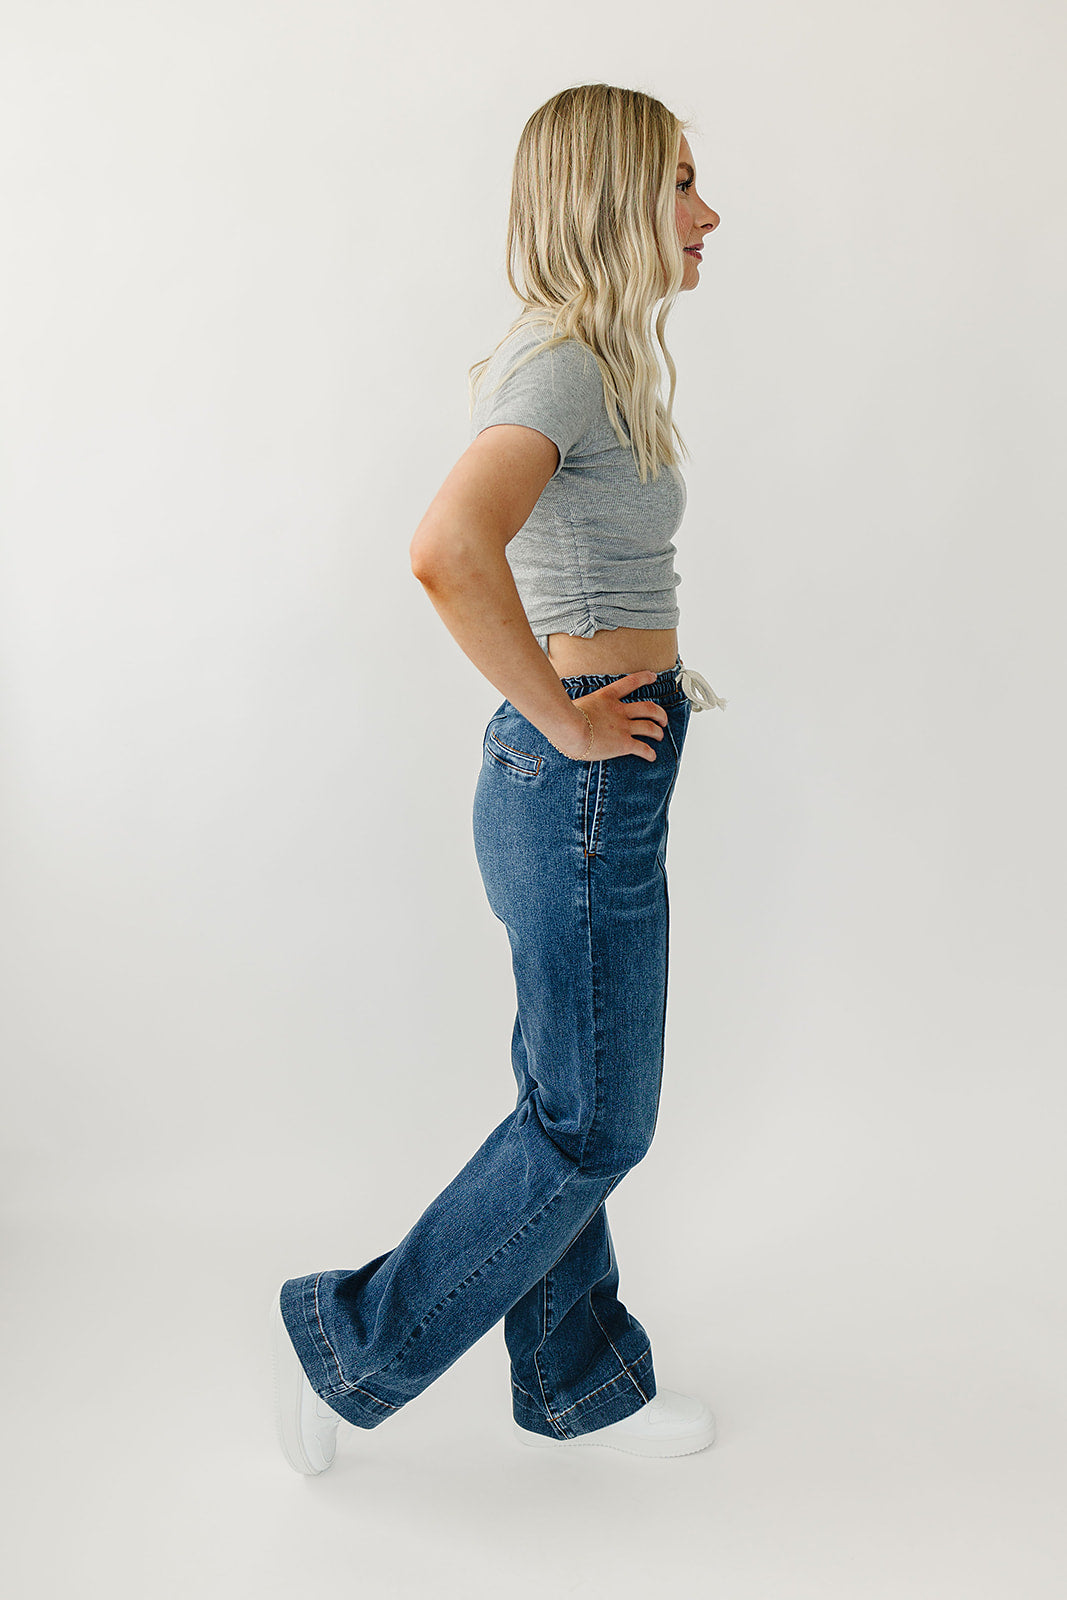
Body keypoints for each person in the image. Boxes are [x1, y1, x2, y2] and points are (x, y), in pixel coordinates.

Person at [269, 82, 725, 1473]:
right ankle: (350, 1344)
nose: (708, 215)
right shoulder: (563, 365)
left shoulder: (597, 360)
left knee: (564, 1098)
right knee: (594, 1124)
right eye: (680, 185)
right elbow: (444, 547)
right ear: (610, 199)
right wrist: (570, 722)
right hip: (577, 780)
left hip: (596, 782)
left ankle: (576, 1377)